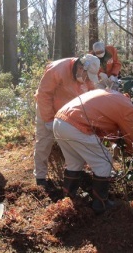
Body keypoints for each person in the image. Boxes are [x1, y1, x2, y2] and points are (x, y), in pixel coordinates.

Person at [53, 88, 133, 214]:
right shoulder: (129, 109)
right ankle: (101, 203)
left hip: (60, 121)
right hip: (76, 125)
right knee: (104, 161)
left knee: (75, 162)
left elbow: (105, 127)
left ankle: (67, 199)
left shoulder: (114, 95)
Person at [34, 54, 100, 187]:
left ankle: (75, 170)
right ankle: (40, 177)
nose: (87, 80)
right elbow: (43, 94)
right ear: (81, 68)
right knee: (44, 141)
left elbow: (92, 94)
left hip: (69, 112)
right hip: (47, 108)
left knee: (73, 141)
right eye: (86, 76)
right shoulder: (58, 68)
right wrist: (48, 119)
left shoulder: (87, 76)